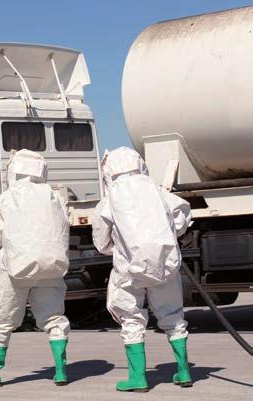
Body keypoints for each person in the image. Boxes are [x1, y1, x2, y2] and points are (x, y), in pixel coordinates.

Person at [92, 147, 192, 392]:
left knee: (131, 317)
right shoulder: (156, 190)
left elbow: (101, 242)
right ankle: (184, 371)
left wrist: (118, 249)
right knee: (173, 315)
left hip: (129, 269)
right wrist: (168, 236)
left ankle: (138, 378)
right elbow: (182, 214)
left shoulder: (110, 199)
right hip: (164, 263)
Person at [0, 149, 70, 387]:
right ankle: (61, 370)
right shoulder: (54, 197)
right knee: (53, 317)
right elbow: (63, 230)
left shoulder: (8, 197)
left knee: (2, 319)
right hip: (51, 266)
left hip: (15, 267)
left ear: (14, 170)